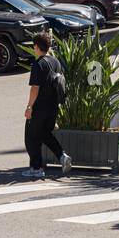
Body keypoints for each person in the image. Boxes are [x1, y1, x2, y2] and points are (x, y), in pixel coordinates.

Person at [23, 30, 71, 178]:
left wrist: (29, 106)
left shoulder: (39, 64)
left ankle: (36, 168)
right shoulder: (55, 62)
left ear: (37, 47)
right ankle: (62, 156)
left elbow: (35, 88)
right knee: (45, 134)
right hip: (53, 107)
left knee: (31, 138)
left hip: (40, 107)